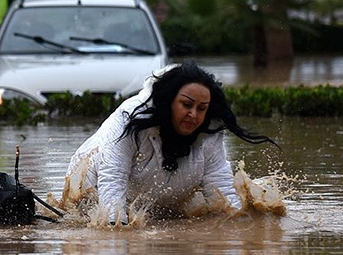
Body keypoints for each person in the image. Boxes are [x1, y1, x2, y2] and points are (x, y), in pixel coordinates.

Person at [62, 60, 277, 225]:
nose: (193, 115)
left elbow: (220, 186)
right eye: (186, 105)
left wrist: (242, 228)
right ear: (168, 101)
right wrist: (115, 227)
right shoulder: (130, 120)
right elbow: (112, 179)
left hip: (159, 194)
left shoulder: (209, 129)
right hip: (93, 185)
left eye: (201, 108)